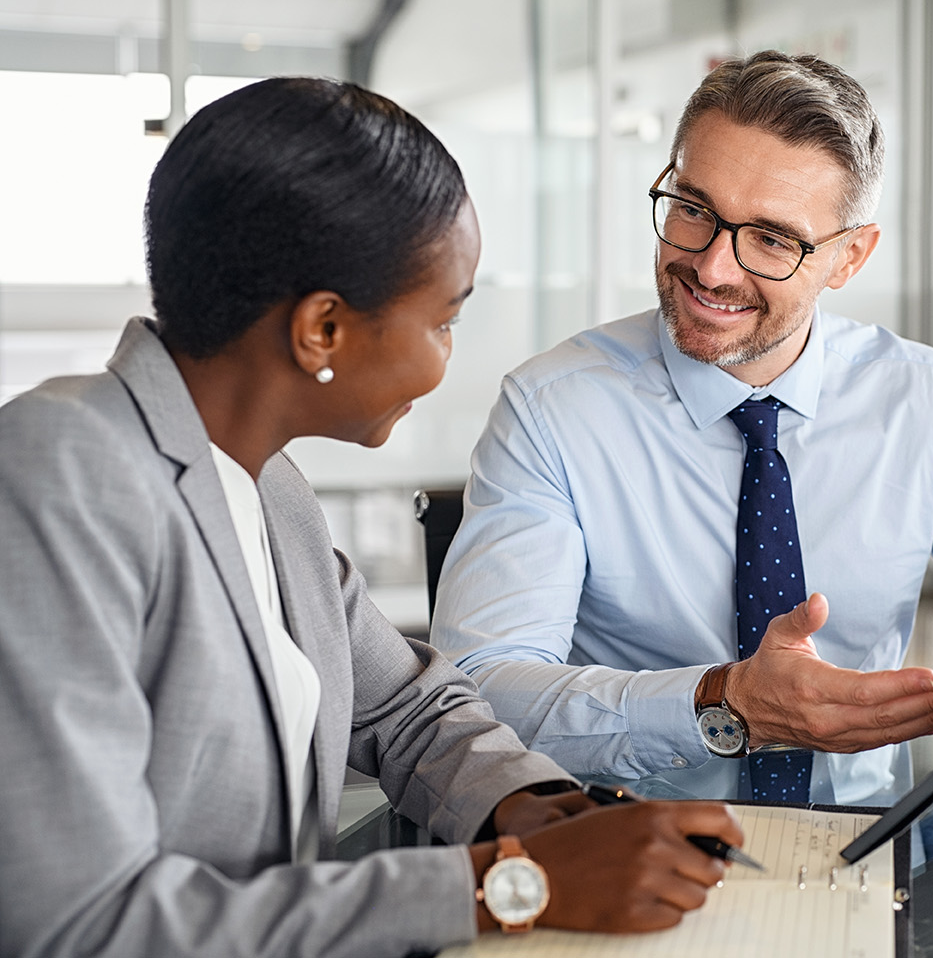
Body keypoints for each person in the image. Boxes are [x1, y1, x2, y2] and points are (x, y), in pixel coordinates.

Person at [0, 77, 743, 958]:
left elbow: (405, 704)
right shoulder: (60, 473)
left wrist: (540, 809)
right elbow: (81, 919)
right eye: (443, 319)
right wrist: (510, 884)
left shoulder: (266, 484)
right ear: (322, 329)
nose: (447, 355)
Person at [432, 50, 933, 804]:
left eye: (772, 240)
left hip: (867, 849)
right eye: (692, 209)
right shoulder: (553, 408)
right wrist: (723, 701)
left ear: (848, 257)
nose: (711, 267)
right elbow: (477, 694)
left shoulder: (927, 401)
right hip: (626, 848)